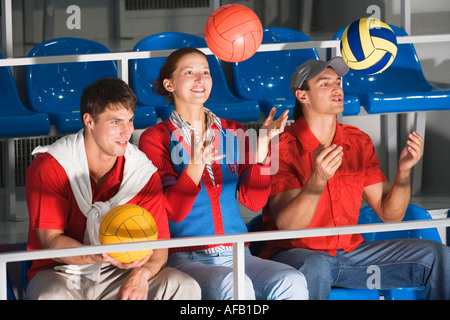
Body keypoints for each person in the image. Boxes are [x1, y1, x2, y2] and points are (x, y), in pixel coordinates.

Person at [259, 57, 450, 300]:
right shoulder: (280, 145)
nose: (337, 88)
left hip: (350, 255)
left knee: (438, 256)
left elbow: (390, 214)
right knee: (315, 265)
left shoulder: (358, 141)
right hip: (296, 256)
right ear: (302, 96)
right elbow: (288, 226)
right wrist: (317, 180)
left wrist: (404, 172)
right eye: (325, 84)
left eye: (338, 82)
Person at [139, 47, 308, 300]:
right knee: (235, 284)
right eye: (189, 72)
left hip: (240, 253)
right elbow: (172, 211)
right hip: (187, 257)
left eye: (205, 72)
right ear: (169, 84)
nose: (200, 79)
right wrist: (195, 166)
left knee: (291, 280)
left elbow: (254, 201)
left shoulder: (233, 130)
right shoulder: (155, 138)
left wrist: (262, 152)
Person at [25, 77, 201, 300]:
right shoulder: (52, 166)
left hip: (120, 271)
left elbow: (159, 246)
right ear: (89, 121)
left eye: (130, 120)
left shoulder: (142, 172)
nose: (127, 131)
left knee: (183, 285)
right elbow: (51, 240)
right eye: (116, 122)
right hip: (60, 272)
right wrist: (100, 254)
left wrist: (142, 275)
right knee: (50, 296)